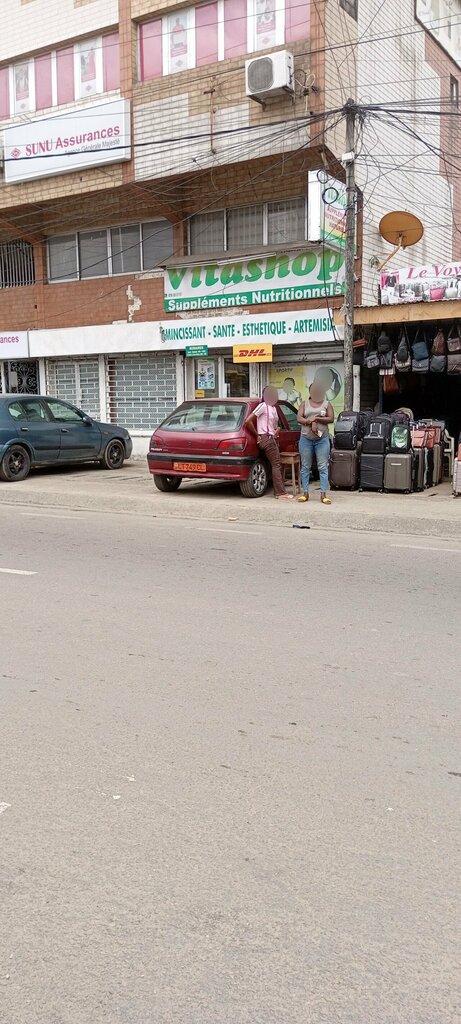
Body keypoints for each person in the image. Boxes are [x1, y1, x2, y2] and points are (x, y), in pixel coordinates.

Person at [244, 387, 293, 500]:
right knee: (276, 464)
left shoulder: (273, 408)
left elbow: (275, 426)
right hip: (266, 439)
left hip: (271, 438)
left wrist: (277, 430)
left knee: (275, 464)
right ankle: (280, 493)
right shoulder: (263, 406)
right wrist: (257, 435)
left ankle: (280, 492)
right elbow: (248, 421)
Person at [297, 382, 334, 504]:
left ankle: (323, 494)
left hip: (322, 439)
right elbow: (299, 418)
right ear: (310, 392)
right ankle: (305, 493)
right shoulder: (304, 404)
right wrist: (309, 422)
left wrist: (317, 419)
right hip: (306, 438)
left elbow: (331, 418)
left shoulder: (327, 404)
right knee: (305, 467)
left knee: (323, 467)